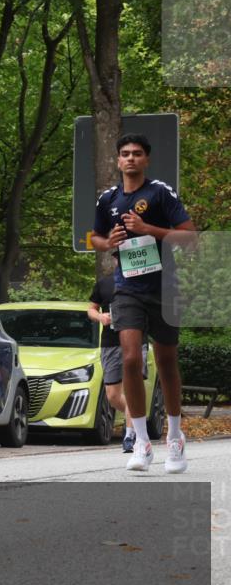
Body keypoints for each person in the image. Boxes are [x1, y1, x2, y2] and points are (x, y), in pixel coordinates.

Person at [91, 133, 196, 473]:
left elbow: (190, 237)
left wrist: (149, 228)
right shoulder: (107, 200)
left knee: (166, 361)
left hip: (165, 286)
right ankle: (140, 439)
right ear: (118, 161)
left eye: (137, 153)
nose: (131, 158)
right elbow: (94, 237)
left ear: (146, 159)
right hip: (127, 290)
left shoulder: (160, 193)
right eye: (125, 154)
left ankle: (175, 437)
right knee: (132, 357)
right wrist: (110, 242)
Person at [88, 273, 149, 453]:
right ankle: (137, 417)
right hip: (110, 342)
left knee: (133, 390)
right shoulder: (104, 282)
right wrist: (100, 317)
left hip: (137, 341)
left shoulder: (143, 280)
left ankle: (130, 436)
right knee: (112, 395)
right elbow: (91, 309)